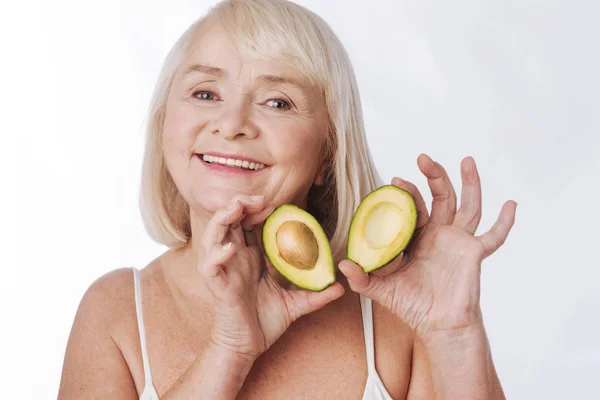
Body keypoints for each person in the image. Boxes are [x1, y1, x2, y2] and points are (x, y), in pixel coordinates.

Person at [57, 0, 517, 398]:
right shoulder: (116, 311)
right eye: (204, 92)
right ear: (164, 127)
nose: (232, 122)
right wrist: (229, 350)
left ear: (326, 155)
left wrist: (454, 334)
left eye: (278, 102)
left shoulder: (399, 316)